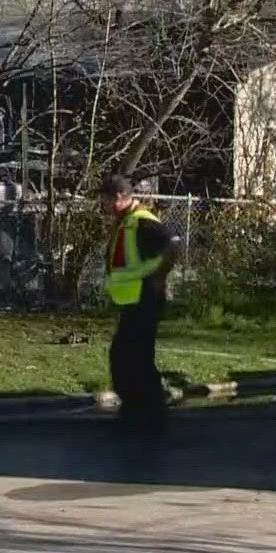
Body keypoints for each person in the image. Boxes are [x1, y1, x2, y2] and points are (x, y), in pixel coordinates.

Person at [99, 175, 185, 435]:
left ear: (118, 198)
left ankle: (150, 409)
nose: (102, 205)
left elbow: (172, 243)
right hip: (132, 298)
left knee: (135, 356)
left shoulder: (141, 222)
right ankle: (137, 404)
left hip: (144, 297)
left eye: (104, 199)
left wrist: (160, 277)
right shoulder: (126, 222)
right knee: (126, 354)